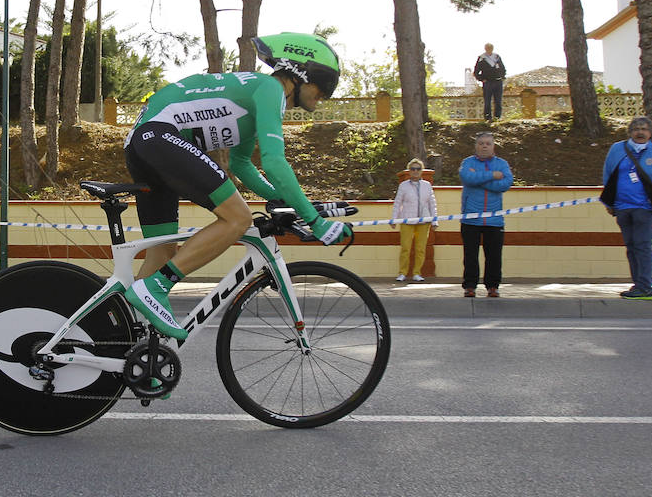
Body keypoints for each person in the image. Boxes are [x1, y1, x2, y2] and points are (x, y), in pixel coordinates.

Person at [122, 32, 352, 338]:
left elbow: (243, 165)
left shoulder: (254, 94)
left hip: (145, 144)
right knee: (238, 218)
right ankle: (157, 287)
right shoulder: (271, 89)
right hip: (160, 137)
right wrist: (314, 220)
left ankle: (130, 345)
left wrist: (283, 201)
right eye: (324, 85)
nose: (323, 96)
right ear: (300, 72)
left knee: (162, 253)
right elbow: (274, 163)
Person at [600, 116, 652, 300]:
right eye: (636, 129)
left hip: (645, 209)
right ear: (630, 132)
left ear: (651, 133)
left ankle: (645, 287)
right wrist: (609, 203)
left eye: (645, 129)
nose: (640, 132)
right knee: (631, 247)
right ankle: (637, 285)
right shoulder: (617, 149)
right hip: (622, 208)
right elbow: (608, 175)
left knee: (642, 246)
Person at [459, 132, 513, 298]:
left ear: (493, 146)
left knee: (494, 256)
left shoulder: (502, 164)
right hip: (471, 219)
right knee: (470, 256)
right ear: (476, 146)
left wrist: (479, 180)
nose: (484, 146)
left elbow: (505, 183)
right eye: (481, 143)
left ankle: (493, 286)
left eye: (487, 143)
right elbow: (467, 178)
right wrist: (491, 176)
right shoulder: (467, 162)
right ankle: (470, 286)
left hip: (494, 220)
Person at [391, 158, 438, 282]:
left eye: (418, 169)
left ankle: (417, 273)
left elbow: (432, 204)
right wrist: (394, 219)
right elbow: (397, 203)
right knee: (405, 247)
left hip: (424, 222)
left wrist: (434, 221)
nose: (415, 171)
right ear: (409, 171)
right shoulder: (403, 185)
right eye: (413, 169)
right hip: (407, 220)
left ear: (421, 171)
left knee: (420, 248)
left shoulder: (427, 185)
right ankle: (402, 273)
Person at [473, 43, 506, 122]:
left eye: (490, 48)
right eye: (487, 48)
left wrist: (502, 76)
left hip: (498, 81)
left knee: (498, 101)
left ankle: (497, 117)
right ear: (485, 48)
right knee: (487, 101)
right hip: (488, 82)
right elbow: (476, 71)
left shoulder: (497, 57)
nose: (489, 49)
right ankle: (488, 118)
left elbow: (502, 68)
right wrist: (481, 79)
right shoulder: (482, 58)